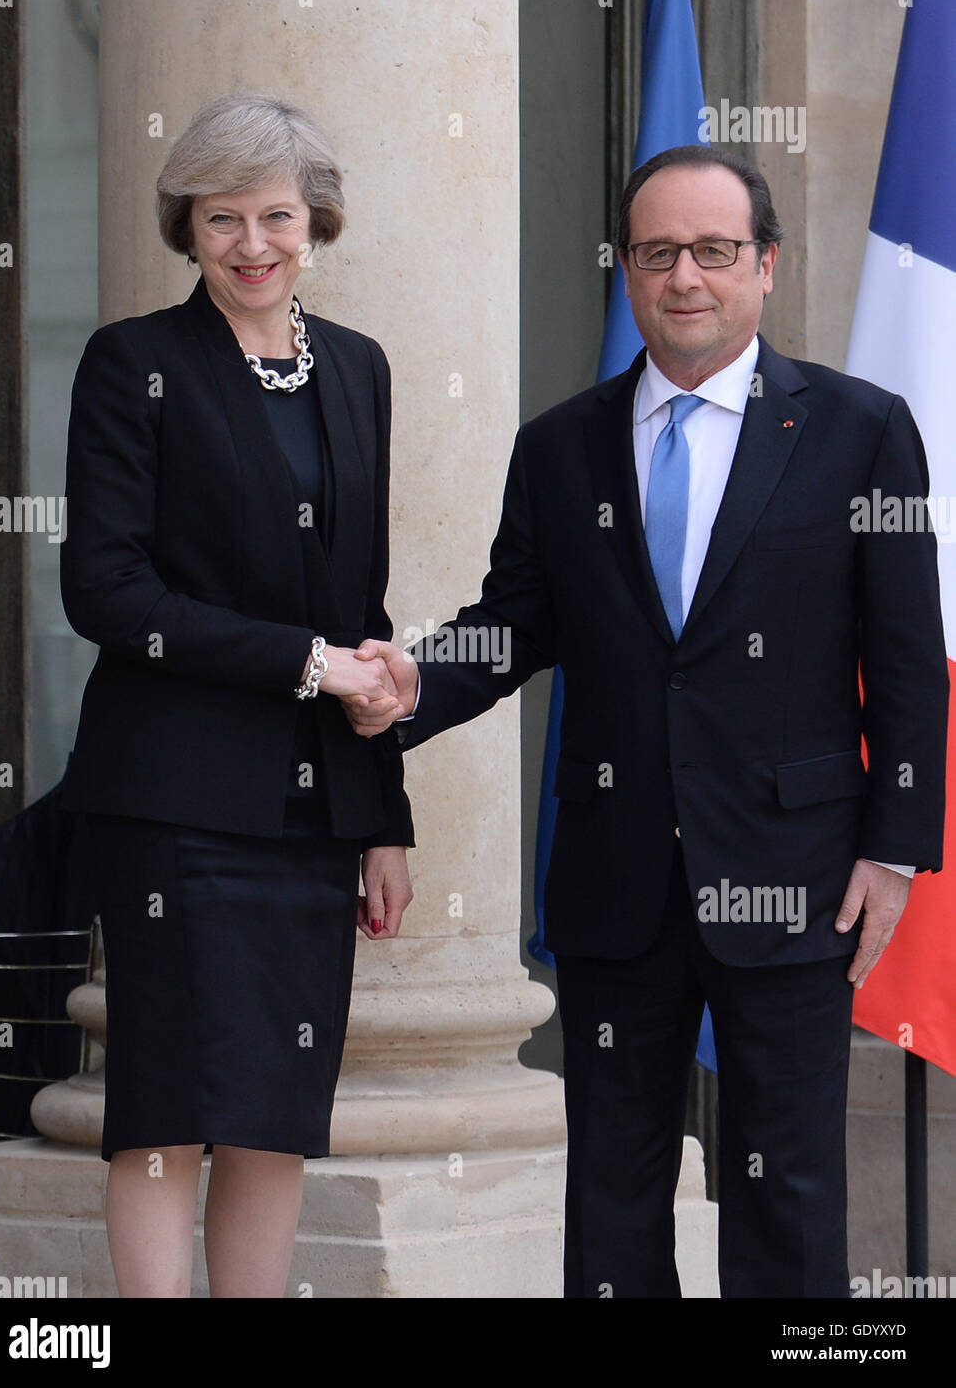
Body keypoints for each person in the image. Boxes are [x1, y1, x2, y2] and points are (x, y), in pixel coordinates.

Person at [344, 144, 949, 1298]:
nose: (685, 276)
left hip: (795, 877)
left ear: (763, 266)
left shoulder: (861, 431)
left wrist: (894, 845)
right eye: (657, 251)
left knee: (789, 1195)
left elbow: (909, 662)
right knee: (613, 1197)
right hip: (617, 880)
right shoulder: (560, 444)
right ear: (625, 270)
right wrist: (417, 682)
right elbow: (514, 620)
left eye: (714, 251)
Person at [59, 92, 413, 1298]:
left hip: (312, 820)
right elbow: (105, 591)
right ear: (188, 226)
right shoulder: (133, 365)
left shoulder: (358, 370)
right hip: (171, 801)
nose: (253, 243)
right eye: (223, 218)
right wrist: (305, 664)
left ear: (315, 220)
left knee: (273, 1107)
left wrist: (381, 818)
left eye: (276, 214)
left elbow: (360, 607)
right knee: (165, 1106)